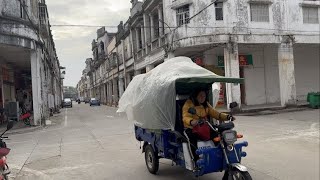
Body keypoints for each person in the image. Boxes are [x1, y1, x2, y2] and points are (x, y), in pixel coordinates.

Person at [182, 88, 235, 161]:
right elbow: (185, 117)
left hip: (204, 126)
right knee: (192, 140)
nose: (202, 98)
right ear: (195, 96)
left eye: (204, 96)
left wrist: (227, 117)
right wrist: (192, 121)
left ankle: (222, 155)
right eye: (200, 95)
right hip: (191, 128)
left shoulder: (205, 104)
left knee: (218, 136)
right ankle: (196, 161)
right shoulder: (188, 104)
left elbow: (216, 114)